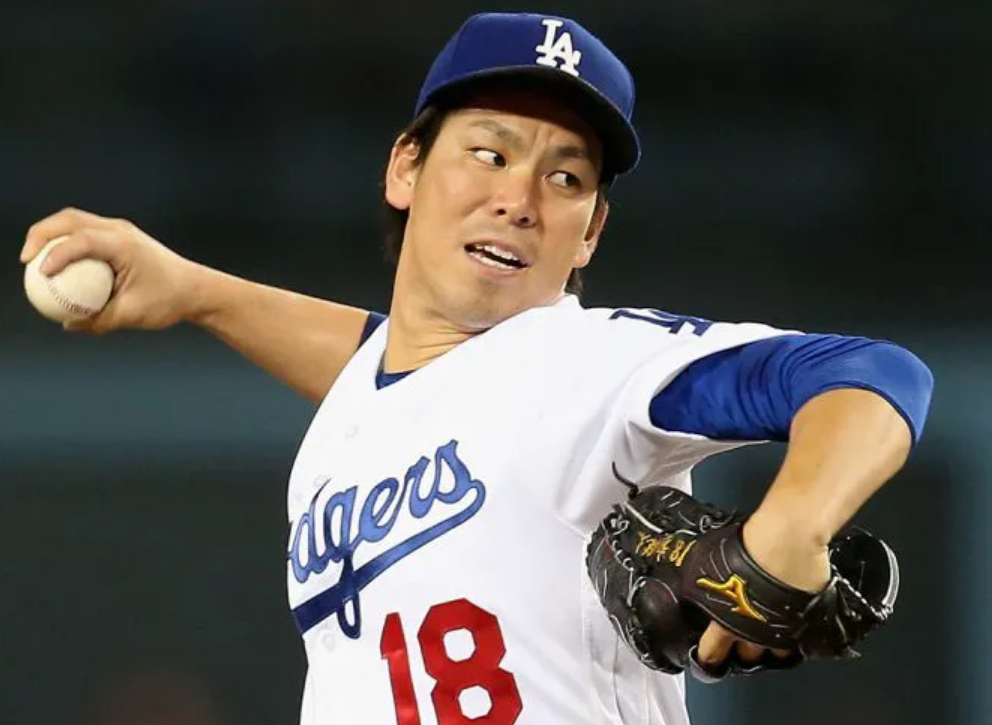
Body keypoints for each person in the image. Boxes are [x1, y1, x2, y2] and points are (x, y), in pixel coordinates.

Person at [20, 12, 933, 725]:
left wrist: (794, 520)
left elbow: (874, 374)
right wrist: (197, 290)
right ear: (405, 168)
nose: (519, 199)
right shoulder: (374, 399)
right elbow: (391, 369)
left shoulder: (596, 361)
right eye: (489, 153)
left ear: (592, 232)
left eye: (566, 178)